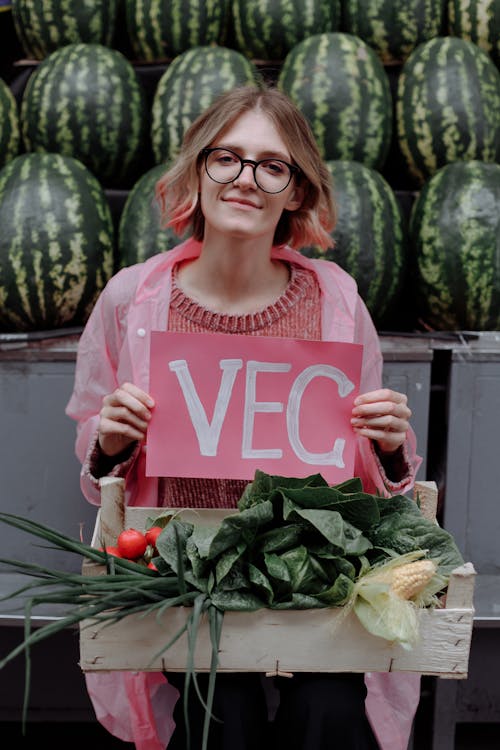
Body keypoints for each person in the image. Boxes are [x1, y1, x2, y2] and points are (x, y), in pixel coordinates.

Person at [66, 84, 422, 750]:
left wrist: (393, 446)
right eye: (226, 158)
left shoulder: (336, 298)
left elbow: (383, 482)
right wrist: (108, 443)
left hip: (316, 575)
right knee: (220, 706)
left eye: (272, 166)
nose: (245, 180)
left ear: (296, 192)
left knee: (330, 705)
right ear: (197, 170)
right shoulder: (130, 301)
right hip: (186, 574)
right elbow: (96, 475)